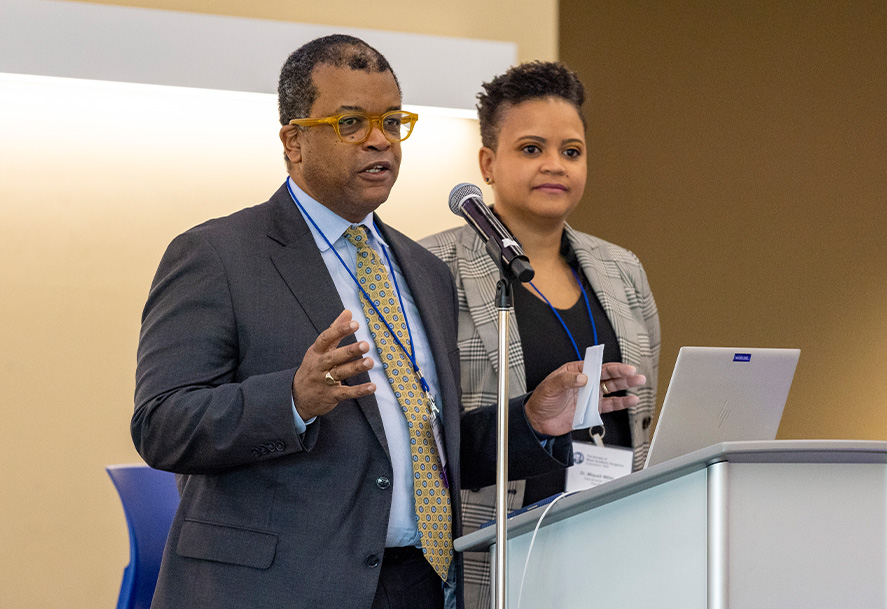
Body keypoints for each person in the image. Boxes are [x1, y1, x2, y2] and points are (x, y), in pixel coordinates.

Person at [132, 36, 646, 609]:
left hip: (418, 585)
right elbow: (160, 425)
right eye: (352, 122)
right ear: (293, 141)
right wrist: (293, 399)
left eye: (393, 120)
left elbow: (428, 444)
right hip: (280, 589)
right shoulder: (219, 255)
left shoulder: (421, 270)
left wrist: (528, 420)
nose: (379, 139)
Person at [420, 61, 660, 608]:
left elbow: (640, 410)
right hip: (499, 548)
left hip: (617, 538)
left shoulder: (623, 269)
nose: (555, 165)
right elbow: (419, 430)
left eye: (571, 152)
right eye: (531, 149)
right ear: (488, 161)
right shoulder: (432, 267)